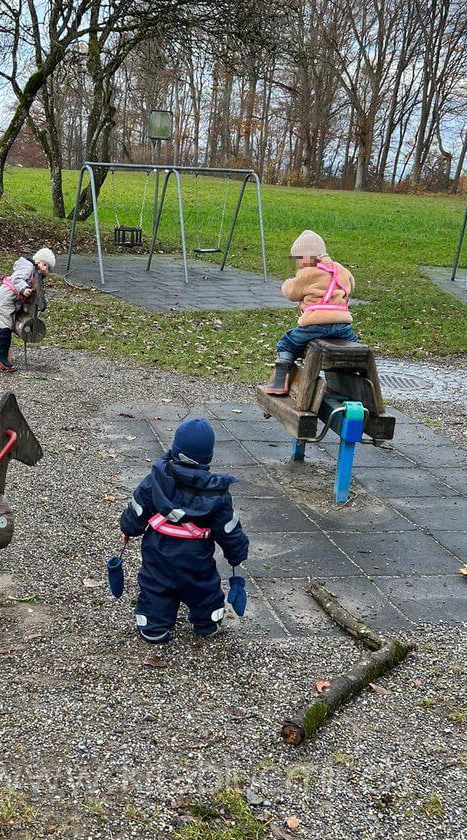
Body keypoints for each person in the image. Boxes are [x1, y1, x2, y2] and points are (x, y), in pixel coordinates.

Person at [119, 417, 249, 644]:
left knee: (155, 589)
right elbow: (229, 529)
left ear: (175, 449)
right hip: (196, 561)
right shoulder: (217, 493)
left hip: (158, 557)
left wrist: (128, 528)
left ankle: (153, 626)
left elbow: (137, 510)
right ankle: (207, 622)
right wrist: (237, 554)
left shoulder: (155, 481)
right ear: (207, 457)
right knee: (204, 589)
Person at [263, 229, 358, 395]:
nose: (297, 264)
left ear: (306, 258)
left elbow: (292, 292)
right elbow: (351, 286)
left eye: (298, 260)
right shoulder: (341, 270)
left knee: (287, 343)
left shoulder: (308, 272)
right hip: (343, 325)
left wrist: (287, 283)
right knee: (355, 346)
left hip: (315, 324)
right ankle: (351, 377)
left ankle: (279, 381)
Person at [0, 247, 56, 373]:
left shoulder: (35, 273)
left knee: (13, 322)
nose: (47, 272)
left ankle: (5, 350)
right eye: (47, 267)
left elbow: (38, 291)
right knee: (7, 324)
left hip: (15, 299)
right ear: (42, 263)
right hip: (7, 296)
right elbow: (17, 279)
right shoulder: (28, 267)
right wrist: (24, 289)